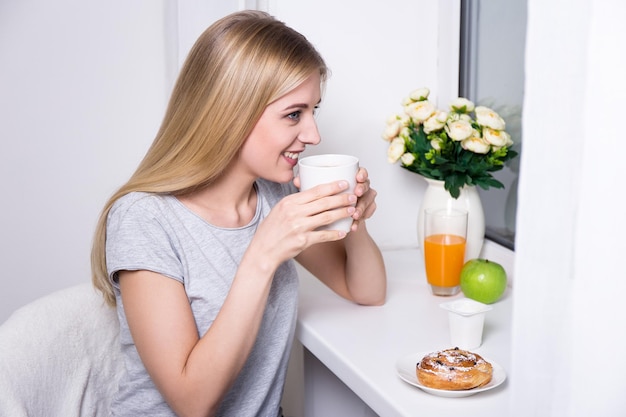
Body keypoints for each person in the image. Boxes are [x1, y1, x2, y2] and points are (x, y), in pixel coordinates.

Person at [91, 10, 386, 417]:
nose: (313, 135)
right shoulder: (145, 218)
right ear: (230, 110)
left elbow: (367, 291)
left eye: (314, 110)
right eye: (293, 114)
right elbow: (192, 402)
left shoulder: (273, 195)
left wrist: (354, 219)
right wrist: (264, 254)